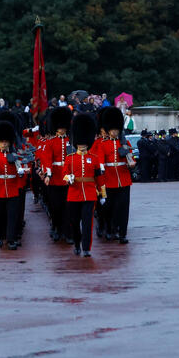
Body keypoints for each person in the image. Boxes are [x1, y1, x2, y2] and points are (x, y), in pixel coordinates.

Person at [64, 113, 105, 257]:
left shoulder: (93, 159)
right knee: (75, 222)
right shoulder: (70, 159)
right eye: (80, 144)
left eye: (84, 143)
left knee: (88, 223)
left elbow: (99, 178)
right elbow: (65, 174)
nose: (82, 146)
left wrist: (103, 195)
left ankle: (86, 247)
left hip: (89, 194)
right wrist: (69, 178)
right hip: (73, 194)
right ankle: (77, 243)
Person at [93, 107, 134, 244]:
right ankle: (110, 229)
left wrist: (131, 162)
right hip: (109, 179)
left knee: (123, 207)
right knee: (109, 207)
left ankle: (122, 233)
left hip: (124, 179)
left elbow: (130, 157)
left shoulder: (125, 142)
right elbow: (100, 161)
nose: (115, 131)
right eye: (113, 129)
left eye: (117, 129)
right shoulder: (103, 144)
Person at [0, 119, 25, 249]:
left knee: (12, 214)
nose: (4, 144)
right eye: (2, 142)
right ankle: (0, 235)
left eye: (5, 141)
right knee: (0, 215)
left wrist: (21, 171)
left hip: (12, 187)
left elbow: (21, 167)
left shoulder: (14, 154)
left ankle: (11, 238)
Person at [38, 106, 72, 242]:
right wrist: (48, 174)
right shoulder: (51, 142)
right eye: (60, 126)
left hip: (68, 177)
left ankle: (67, 232)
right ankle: (57, 228)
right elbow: (47, 160)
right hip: (55, 177)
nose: (62, 129)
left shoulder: (71, 141)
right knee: (56, 206)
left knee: (68, 206)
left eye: (64, 126)